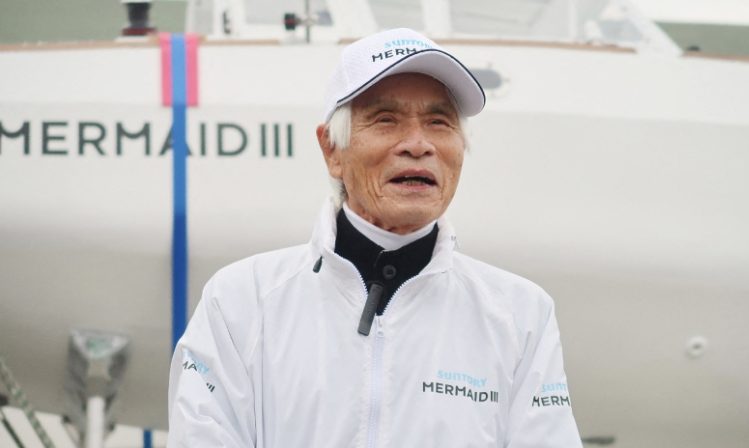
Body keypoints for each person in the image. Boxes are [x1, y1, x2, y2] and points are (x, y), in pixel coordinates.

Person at [168, 28, 582, 447]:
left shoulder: (520, 316)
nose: (418, 145)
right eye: (386, 120)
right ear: (332, 150)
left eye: (439, 122)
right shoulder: (242, 302)